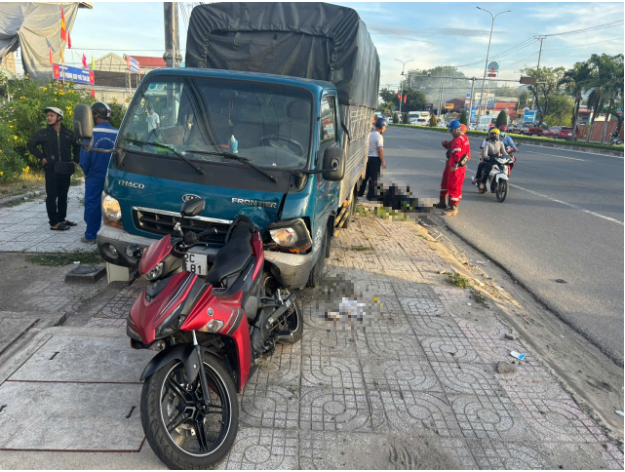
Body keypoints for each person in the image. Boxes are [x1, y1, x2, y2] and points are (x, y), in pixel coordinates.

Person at [27, 106, 80, 231]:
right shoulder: (43, 133)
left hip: (65, 168)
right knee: (51, 196)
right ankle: (54, 223)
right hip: (51, 169)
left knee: (63, 195)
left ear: (59, 117)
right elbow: (30, 145)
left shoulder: (68, 133)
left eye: (52, 115)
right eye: (48, 116)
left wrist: (76, 161)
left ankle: (61, 219)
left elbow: (78, 146)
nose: (48, 118)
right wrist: (41, 157)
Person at [80, 102, 118, 244]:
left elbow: (85, 157)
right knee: (116, 204)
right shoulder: (118, 133)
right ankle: (115, 235)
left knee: (92, 203)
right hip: (113, 175)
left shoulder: (90, 133)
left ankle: (91, 235)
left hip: (94, 175)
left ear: (96, 115)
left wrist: (86, 172)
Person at [438, 120, 470, 216]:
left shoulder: (458, 140)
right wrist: (446, 143)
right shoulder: (462, 138)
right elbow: (466, 154)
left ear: (456, 130)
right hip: (455, 165)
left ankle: (453, 207)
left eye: (451, 131)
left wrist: (456, 165)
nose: (451, 133)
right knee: (445, 182)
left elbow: (457, 153)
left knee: (454, 186)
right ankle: (443, 202)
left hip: (456, 167)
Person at [358, 117, 387, 201]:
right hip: (375, 159)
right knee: (374, 178)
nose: (385, 129)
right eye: (385, 127)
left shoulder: (369, 134)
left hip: (367, 158)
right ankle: (370, 196)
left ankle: (360, 192)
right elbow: (380, 150)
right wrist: (383, 162)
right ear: (381, 127)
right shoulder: (379, 137)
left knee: (365, 177)